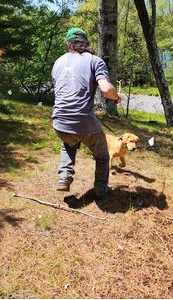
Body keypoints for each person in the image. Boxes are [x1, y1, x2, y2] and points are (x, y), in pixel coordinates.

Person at [51, 27, 122, 197]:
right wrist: (116, 97)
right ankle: (101, 189)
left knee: (69, 143)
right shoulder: (95, 61)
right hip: (83, 121)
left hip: (59, 121)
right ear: (86, 43)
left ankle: (64, 177)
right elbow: (106, 89)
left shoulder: (58, 62)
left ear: (69, 44)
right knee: (103, 155)